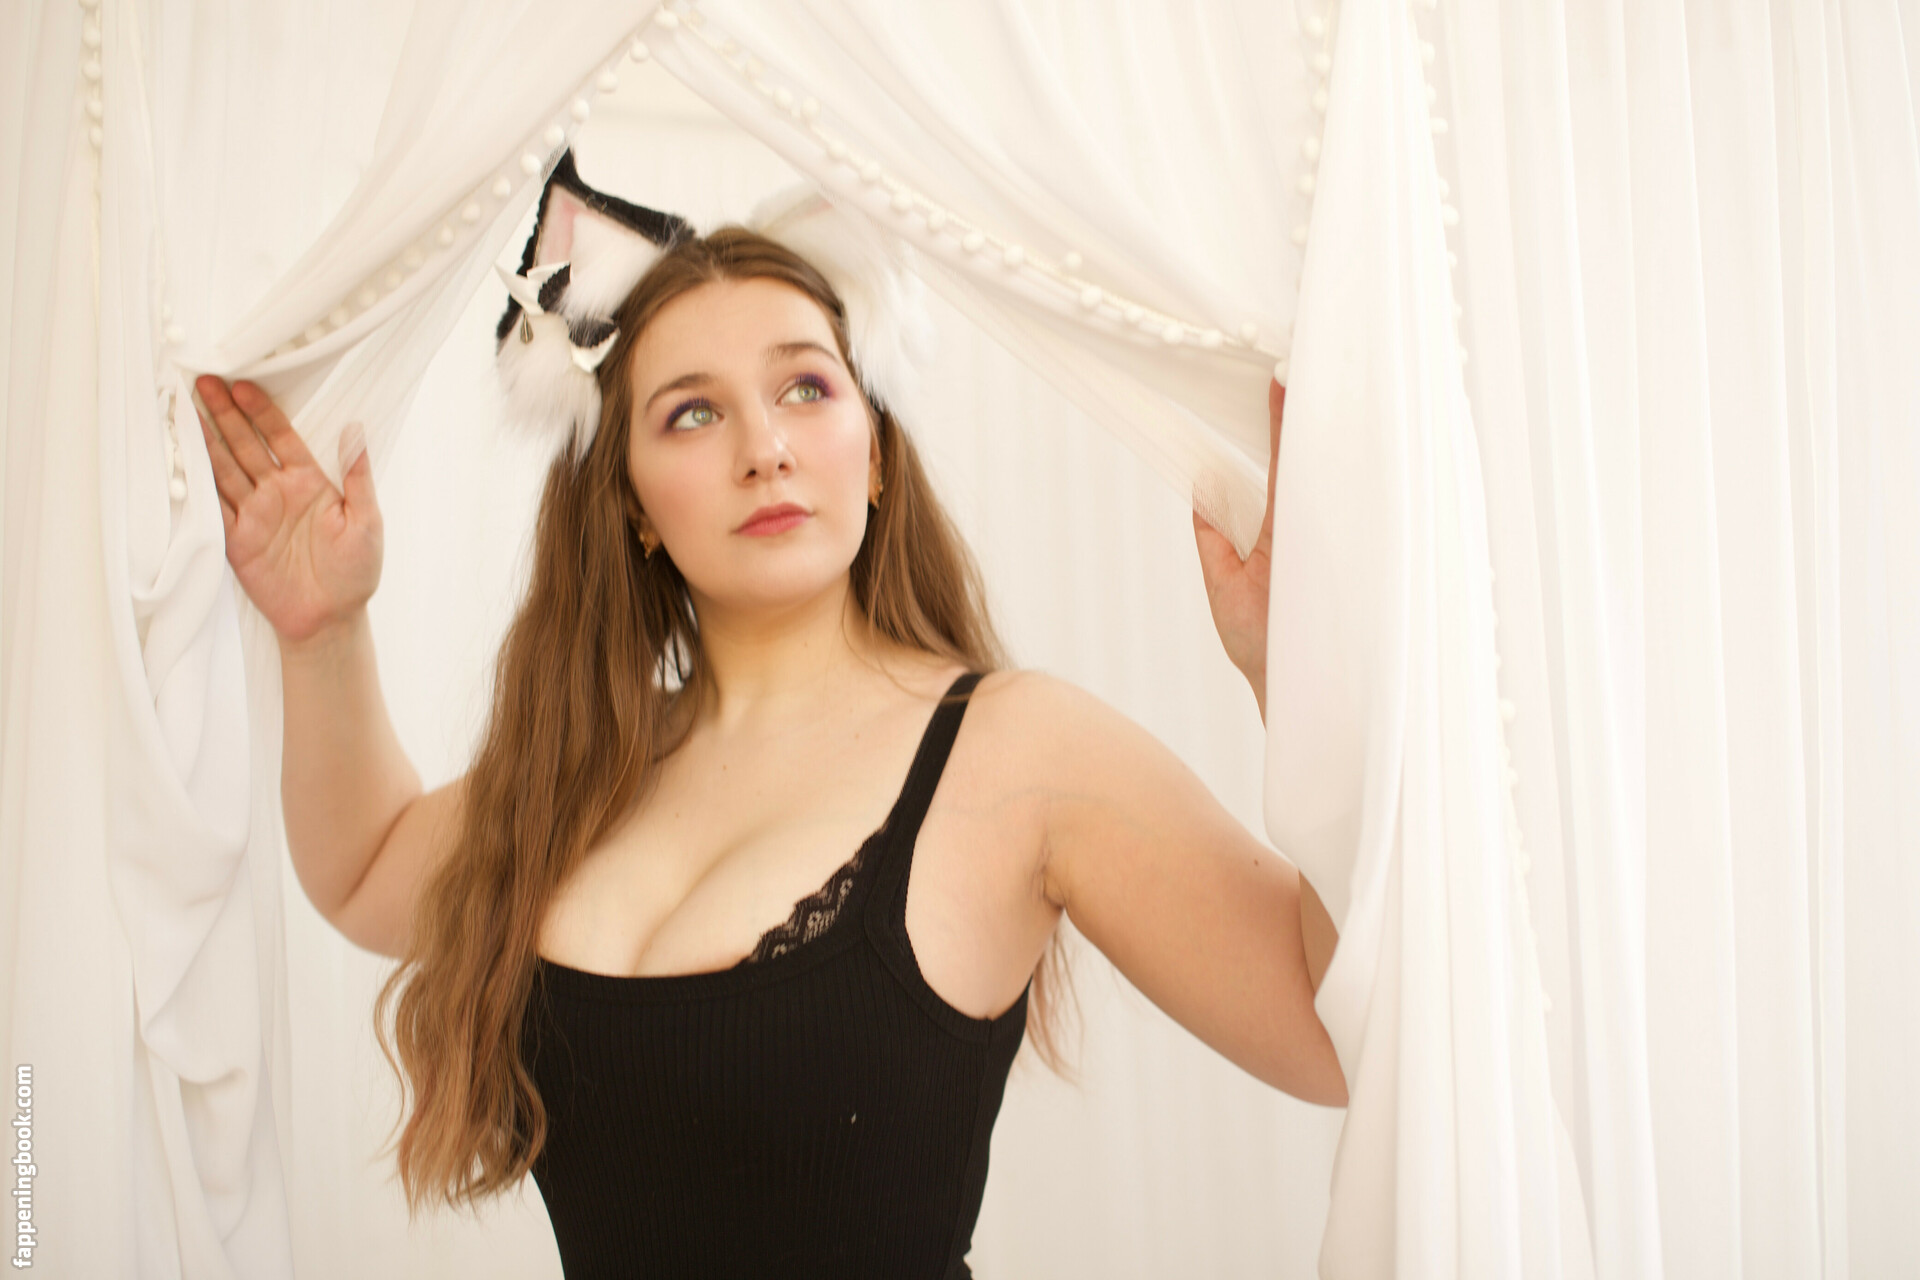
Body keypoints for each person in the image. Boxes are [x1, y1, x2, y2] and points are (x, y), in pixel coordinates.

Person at [194, 223, 1345, 1279]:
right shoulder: (585, 768)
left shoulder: (1018, 750)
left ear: (875, 452)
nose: (766, 448)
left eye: (805, 386)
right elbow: (366, 867)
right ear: (633, 503)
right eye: (691, 412)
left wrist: (1298, 679)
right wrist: (322, 631)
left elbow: (1340, 1032)